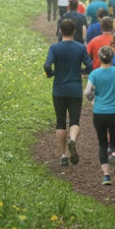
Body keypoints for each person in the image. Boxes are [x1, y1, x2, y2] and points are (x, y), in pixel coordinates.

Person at [43, 19, 92, 167]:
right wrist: (82, 72)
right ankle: (73, 140)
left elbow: (47, 65)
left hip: (59, 89)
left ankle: (64, 155)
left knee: (60, 122)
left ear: (60, 31)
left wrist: (51, 73)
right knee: (75, 120)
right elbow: (90, 65)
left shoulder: (54, 48)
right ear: (74, 31)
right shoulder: (80, 48)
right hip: (75, 89)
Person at [84, 45, 115, 185]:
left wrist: (94, 100)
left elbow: (87, 92)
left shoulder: (94, 74)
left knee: (102, 143)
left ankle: (106, 176)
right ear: (112, 57)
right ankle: (114, 155)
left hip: (99, 112)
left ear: (99, 58)